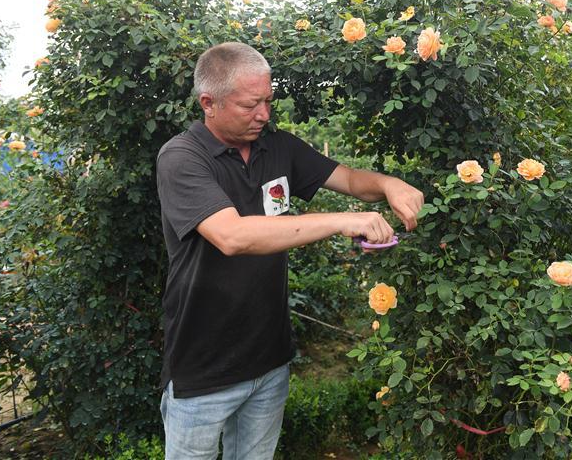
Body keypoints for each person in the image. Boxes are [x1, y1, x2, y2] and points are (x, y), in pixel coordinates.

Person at [156, 42, 424, 460]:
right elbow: (233, 236)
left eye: (267, 100)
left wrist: (389, 184)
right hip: (202, 370)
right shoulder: (182, 158)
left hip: (268, 360)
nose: (264, 114)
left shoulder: (277, 146)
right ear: (209, 102)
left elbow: (351, 180)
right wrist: (340, 220)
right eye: (250, 105)